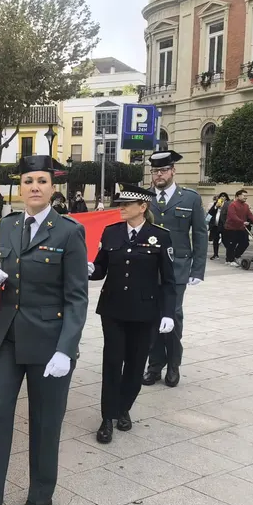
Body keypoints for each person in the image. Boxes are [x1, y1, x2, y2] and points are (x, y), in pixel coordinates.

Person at [0, 155, 88, 505]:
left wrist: (66, 349)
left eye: (41, 181)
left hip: (49, 343)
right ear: (20, 186)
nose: (34, 187)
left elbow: (77, 297)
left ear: (52, 188)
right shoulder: (7, 225)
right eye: (28, 180)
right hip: (4, 339)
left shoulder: (67, 231)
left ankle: (41, 493)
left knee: (45, 422)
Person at [87, 184, 176, 444]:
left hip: (145, 310)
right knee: (112, 362)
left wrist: (168, 313)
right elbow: (101, 269)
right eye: (120, 204)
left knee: (136, 365)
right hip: (113, 309)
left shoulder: (159, 236)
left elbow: (169, 280)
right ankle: (107, 417)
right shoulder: (111, 232)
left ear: (142, 207)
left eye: (126, 204)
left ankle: (124, 407)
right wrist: (89, 268)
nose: (121, 208)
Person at [144, 150, 207, 388]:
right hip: (149, 267)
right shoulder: (144, 197)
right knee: (151, 318)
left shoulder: (189, 198)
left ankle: (173, 365)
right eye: (154, 171)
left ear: (173, 171)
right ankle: (154, 366)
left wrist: (197, 269)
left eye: (162, 170)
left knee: (173, 316)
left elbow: (200, 234)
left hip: (178, 267)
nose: (158, 175)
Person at [223, 189, 253, 266]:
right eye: (244, 196)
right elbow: (232, 216)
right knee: (232, 244)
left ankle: (236, 256)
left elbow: (249, 214)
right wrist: (242, 222)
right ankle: (229, 260)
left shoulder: (246, 206)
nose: (246, 197)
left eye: (246, 196)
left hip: (241, 228)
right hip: (231, 228)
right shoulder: (233, 205)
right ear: (238, 196)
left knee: (245, 243)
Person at [206, 193, 229, 260]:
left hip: (223, 225)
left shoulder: (227, 204)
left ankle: (229, 254)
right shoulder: (216, 203)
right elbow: (210, 213)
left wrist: (222, 207)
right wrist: (216, 206)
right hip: (215, 225)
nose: (222, 198)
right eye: (221, 196)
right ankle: (215, 254)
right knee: (215, 240)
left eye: (224, 196)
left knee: (225, 240)